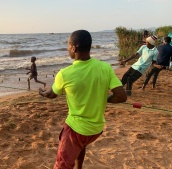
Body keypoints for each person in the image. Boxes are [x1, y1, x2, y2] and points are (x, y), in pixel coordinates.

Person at [39, 30, 127, 169]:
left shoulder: (64, 73)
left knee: (62, 164)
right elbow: (122, 96)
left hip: (76, 128)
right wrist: (103, 99)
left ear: (74, 48)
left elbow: (52, 94)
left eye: (68, 45)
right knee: (80, 145)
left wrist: (43, 93)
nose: (67, 48)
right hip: (96, 129)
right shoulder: (105, 67)